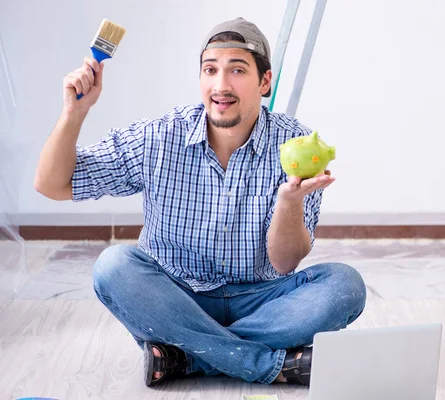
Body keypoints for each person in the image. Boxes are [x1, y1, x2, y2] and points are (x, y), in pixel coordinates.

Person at [34, 17, 367, 388]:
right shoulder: (158, 137)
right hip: (175, 296)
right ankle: (265, 363)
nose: (221, 85)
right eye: (210, 70)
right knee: (114, 266)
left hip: (261, 299)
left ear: (265, 82)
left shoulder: (296, 146)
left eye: (237, 70)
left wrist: (288, 201)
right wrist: (74, 112)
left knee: (344, 286)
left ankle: (188, 356)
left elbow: (285, 261)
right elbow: (52, 184)